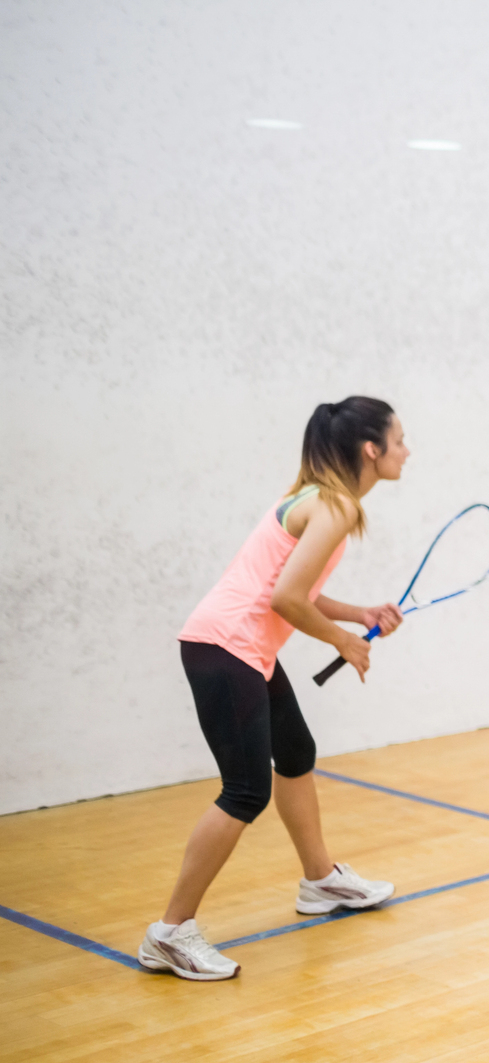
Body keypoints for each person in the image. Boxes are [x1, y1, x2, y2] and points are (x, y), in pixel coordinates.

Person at [141, 397, 411, 981]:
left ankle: (320, 880)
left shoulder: (315, 497)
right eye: (399, 440)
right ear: (372, 449)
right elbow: (284, 599)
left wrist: (358, 611)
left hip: (237, 647)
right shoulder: (335, 506)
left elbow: (295, 588)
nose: (406, 451)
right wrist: (344, 640)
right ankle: (169, 932)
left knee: (295, 753)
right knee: (245, 792)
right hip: (226, 649)